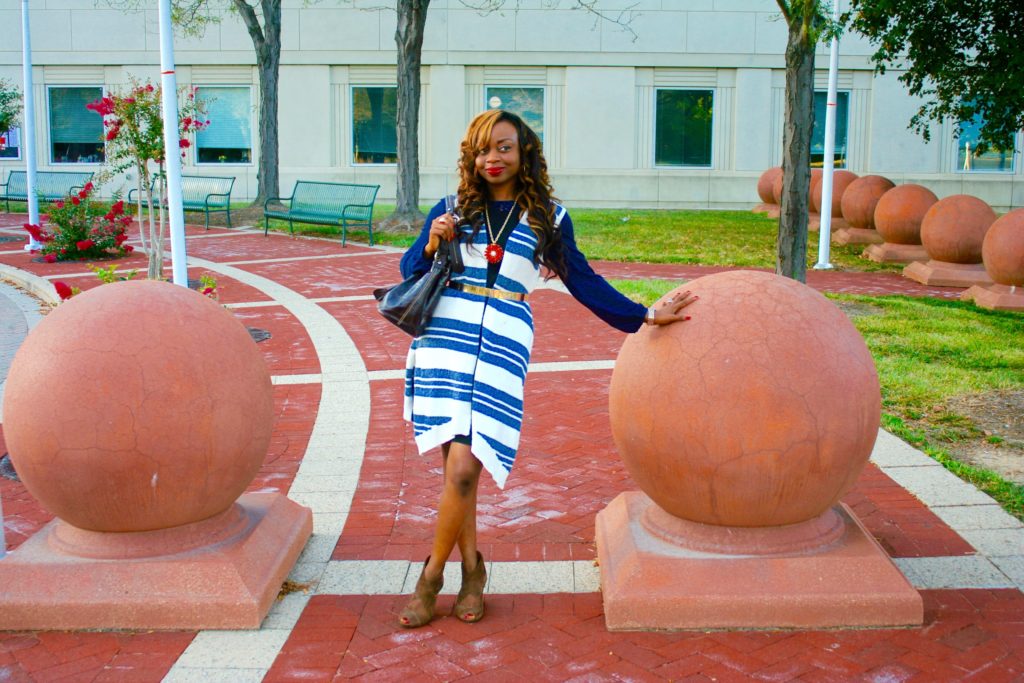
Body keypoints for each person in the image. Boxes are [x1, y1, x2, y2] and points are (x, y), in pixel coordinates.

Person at [396, 109, 697, 628]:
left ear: (524, 152)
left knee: (466, 467)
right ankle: (471, 571)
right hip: (445, 333)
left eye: (505, 147)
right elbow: (409, 271)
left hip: (503, 339)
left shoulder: (548, 218)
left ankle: (430, 578)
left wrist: (643, 314)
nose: (494, 158)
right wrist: (431, 241)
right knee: (457, 470)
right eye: (484, 149)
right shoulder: (451, 208)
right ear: (472, 155)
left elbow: (581, 277)